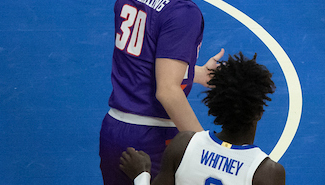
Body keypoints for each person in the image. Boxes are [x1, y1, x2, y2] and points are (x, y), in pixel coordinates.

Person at [99, 0, 225, 185]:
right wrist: (205, 149)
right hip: (151, 138)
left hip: (114, 128)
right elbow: (167, 91)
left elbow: (143, 59)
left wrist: (196, 73)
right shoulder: (182, 12)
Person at [117, 52, 286, 185]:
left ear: (215, 105)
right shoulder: (267, 173)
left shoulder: (183, 144)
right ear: (259, 112)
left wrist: (141, 174)